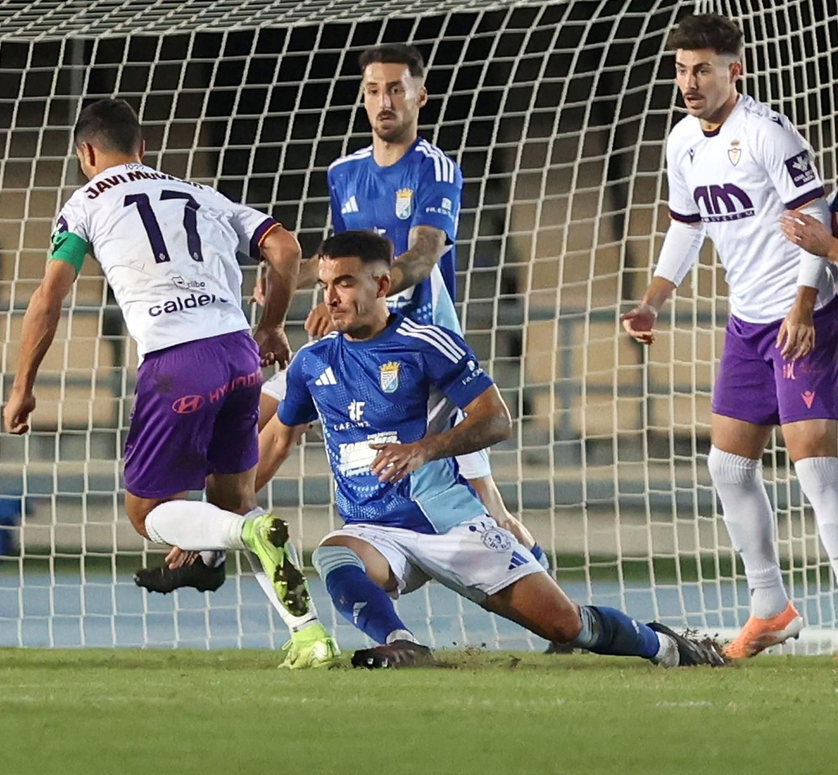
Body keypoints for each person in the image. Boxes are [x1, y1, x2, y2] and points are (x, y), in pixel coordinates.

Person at [139, 44, 542, 607]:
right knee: (256, 420)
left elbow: (423, 257)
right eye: (375, 90)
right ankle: (212, 545)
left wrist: (358, 299)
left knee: (487, 507)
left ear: (420, 97)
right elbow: (340, 257)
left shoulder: (435, 169)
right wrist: (294, 276)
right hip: (355, 347)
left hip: (419, 353)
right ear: (362, 97)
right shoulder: (344, 172)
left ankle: (550, 597)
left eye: (397, 89)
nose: (385, 100)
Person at [267, 230, 725, 668]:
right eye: (325, 285)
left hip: (449, 524)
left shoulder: (426, 344)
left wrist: (425, 449)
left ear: (382, 283)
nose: (330, 297)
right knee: (333, 553)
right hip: (376, 530)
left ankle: (665, 646)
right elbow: (278, 437)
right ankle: (401, 643)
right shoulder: (314, 361)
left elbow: (497, 419)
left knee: (567, 627)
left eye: (344, 283)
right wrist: (233, 508)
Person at [2, 97, 340, 669]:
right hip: (238, 354)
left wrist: (22, 384)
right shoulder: (201, 193)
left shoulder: (83, 203)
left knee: (146, 513)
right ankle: (309, 635)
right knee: (233, 500)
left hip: (174, 360)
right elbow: (285, 247)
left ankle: (246, 537)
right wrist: (273, 323)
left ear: (86, 152)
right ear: (144, 147)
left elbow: (49, 297)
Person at [622, 13, 838, 659]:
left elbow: (815, 214)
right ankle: (770, 607)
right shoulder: (680, 142)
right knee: (728, 464)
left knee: (818, 475)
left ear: (732, 71)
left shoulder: (766, 132)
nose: (689, 82)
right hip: (746, 323)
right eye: (682, 69)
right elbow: (686, 227)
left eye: (702, 70)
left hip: (806, 318)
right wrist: (654, 301)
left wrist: (802, 305)